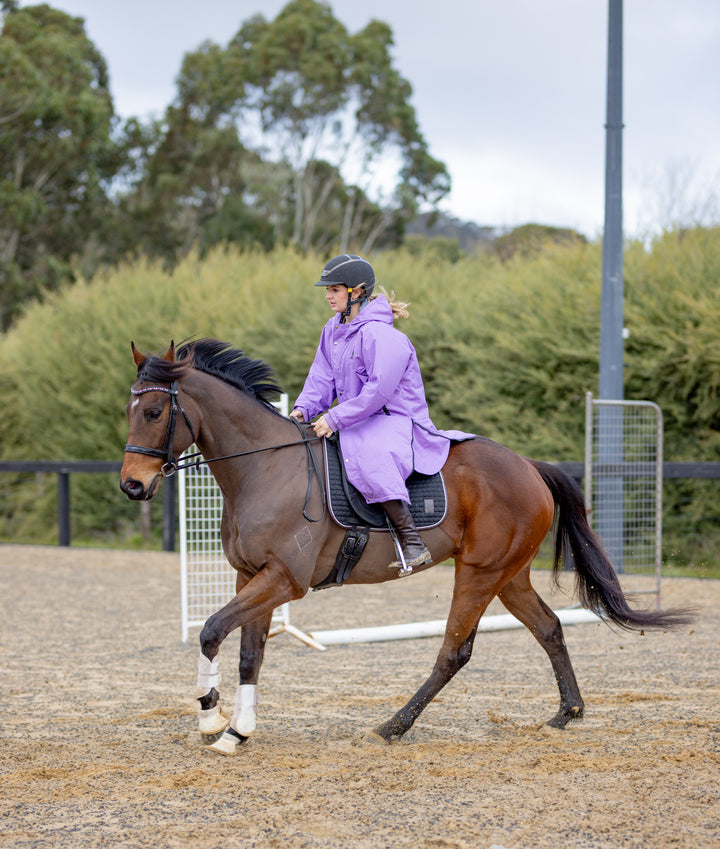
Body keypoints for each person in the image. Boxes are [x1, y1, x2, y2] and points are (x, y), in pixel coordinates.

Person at [290, 254, 474, 571]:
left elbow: (378, 392)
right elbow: (321, 378)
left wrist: (334, 418)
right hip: (357, 417)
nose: (327, 296)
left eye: (334, 289)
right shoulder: (331, 330)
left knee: (368, 452)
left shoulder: (382, 335)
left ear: (356, 293)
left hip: (394, 420)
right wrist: (302, 410)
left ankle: (412, 540)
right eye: (328, 289)